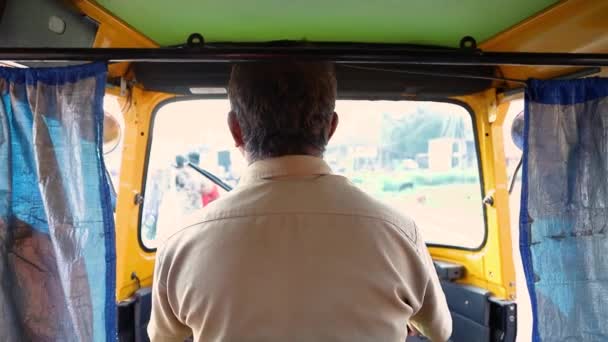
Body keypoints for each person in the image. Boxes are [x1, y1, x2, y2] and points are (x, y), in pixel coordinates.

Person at [148, 62, 452, 342]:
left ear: (235, 129)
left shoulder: (179, 245)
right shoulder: (400, 233)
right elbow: (439, 330)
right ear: (331, 128)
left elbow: (164, 337)